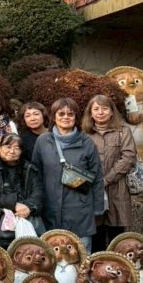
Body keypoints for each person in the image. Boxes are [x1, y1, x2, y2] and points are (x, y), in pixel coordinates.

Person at [32, 97, 105, 252]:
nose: (66, 117)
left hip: (80, 209)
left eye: (70, 114)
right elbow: (35, 175)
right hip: (49, 208)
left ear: (76, 117)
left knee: (81, 254)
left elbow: (97, 177)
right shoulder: (43, 141)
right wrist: (36, 203)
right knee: (51, 255)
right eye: (61, 114)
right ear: (53, 117)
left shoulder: (87, 143)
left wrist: (98, 209)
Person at [83, 94, 137, 250]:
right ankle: (98, 263)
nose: (100, 112)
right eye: (96, 109)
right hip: (92, 190)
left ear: (112, 112)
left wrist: (107, 179)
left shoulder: (123, 132)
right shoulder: (84, 135)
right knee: (96, 233)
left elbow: (128, 157)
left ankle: (116, 263)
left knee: (117, 236)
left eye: (105, 108)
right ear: (90, 113)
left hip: (117, 189)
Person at [0, 133, 46, 245]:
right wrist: (14, 204)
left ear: (21, 151)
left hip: (28, 216)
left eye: (17, 148)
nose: (12, 151)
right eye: (8, 147)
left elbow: (38, 193)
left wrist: (27, 207)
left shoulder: (30, 168)